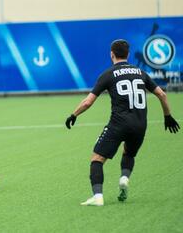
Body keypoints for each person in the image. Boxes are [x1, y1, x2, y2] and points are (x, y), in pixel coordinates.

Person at [65, 39, 180, 206]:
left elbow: (87, 102)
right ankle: (124, 178)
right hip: (140, 125)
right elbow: (162, 94)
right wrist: (167, 116)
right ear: (128, 54)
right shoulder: (141, 73)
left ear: (112, 54)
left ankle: (98, 197)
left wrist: (73, 115)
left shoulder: (108, 74)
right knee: (129, 153)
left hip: (118, 124)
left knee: (97, 159)